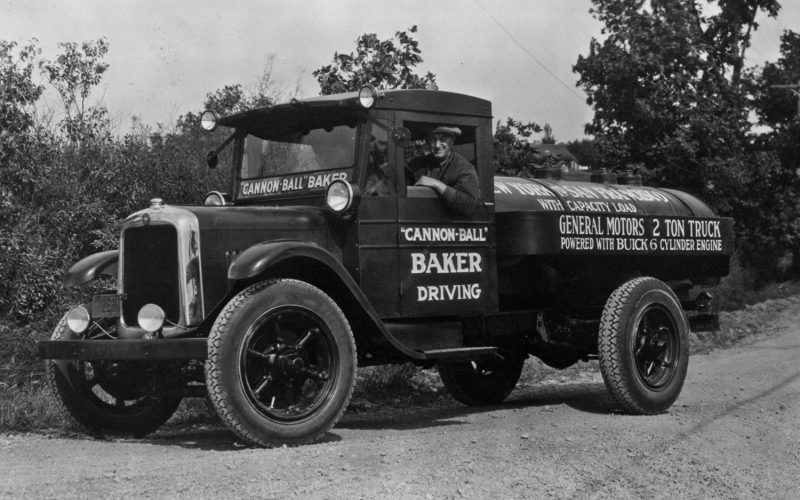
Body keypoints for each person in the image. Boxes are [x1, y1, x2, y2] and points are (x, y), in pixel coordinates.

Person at [408, 126, 479, 216]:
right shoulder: (418, 163)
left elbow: (468, 206)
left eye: (443, 139)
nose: (437, 145)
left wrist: (437, 184)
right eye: (433, 139)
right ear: (428, 142)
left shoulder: (464, 168)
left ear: (452, 141)